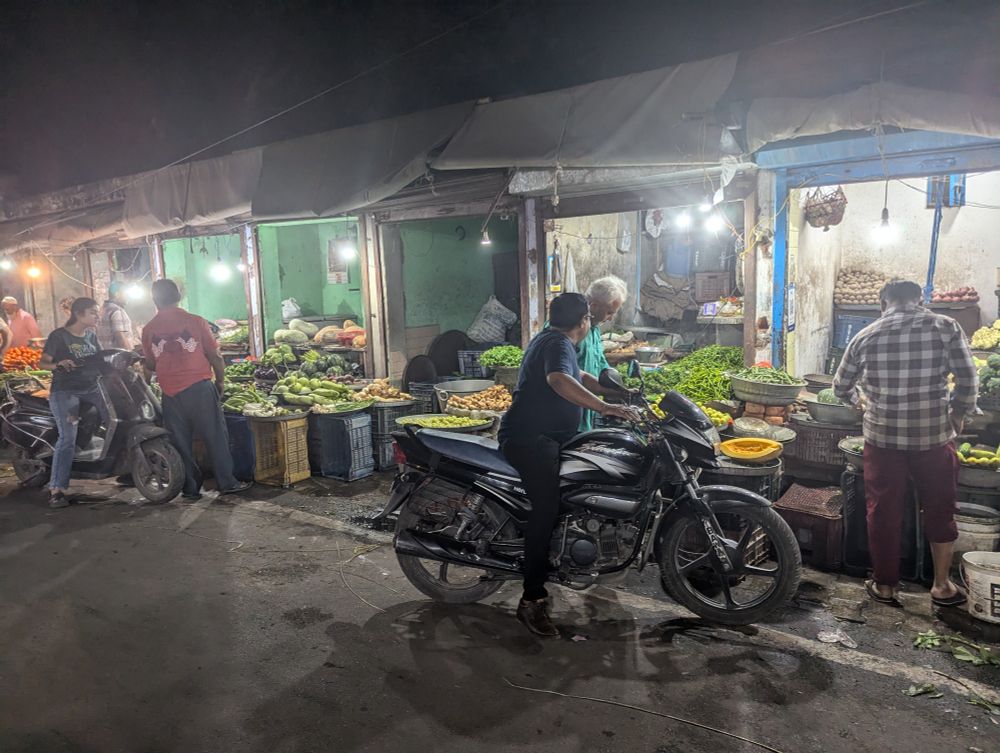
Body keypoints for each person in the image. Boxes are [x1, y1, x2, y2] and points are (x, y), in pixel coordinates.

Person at [499, 292, 637, 637]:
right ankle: (532, 599)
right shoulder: (557, 343)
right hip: (530, 441)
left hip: (547, 439)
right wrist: (605, 408)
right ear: (583, 322)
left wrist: (618, 394)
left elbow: (579, 376)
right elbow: (559, 380)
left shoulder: (553, 340)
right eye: (590, 317)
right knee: (545, 509)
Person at [834, 279, 977, 608]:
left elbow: (841, 387)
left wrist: (859, 403)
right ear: (920, 300)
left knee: (883, 510)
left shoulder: (865, 335)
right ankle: (941, 585)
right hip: (934, 437)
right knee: (940, 507)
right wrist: (958, 412)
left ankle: (885, 585)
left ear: (882, 304)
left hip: (883, 439)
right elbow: (968, 378)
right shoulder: (945, 326)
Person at [142, 279, 250, 499]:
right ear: (178, 296)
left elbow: (150, 364)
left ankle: (190, 488)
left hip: (170, 392)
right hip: (199, 388)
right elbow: (215, 356)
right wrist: (220, 381)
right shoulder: (195, 321)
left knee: (180, 442)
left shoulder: (148, 329)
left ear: (154, 300)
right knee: (215, 436)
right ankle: (227, 482)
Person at [38, 297, 103, 508]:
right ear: (78, 314)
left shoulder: (91, 336)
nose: (97, 316)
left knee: (119, 418)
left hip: (92, 389)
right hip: (66, 391)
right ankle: (56, 489)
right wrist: (59, 364)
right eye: (93, 312)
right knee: (67, 437)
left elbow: (101, 360)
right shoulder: (59, 336)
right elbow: (43, 363)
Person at [577, 276, 628, 431]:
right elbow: (566, 375)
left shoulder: (594, 329)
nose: (611, 318)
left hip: (588, 409)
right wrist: (605, 403)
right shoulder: (570, 329)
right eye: (609, 312)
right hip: (570, 410)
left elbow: (600, 363)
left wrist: (618, 387)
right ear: (594, 306)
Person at [98, 281, 134, 350]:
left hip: (105, 353)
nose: (128, 297)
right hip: (118, 354)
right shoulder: (117, 310)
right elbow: (120, 336)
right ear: (117, 294)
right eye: (126, 294)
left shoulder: (102, 309)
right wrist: (130, 353)